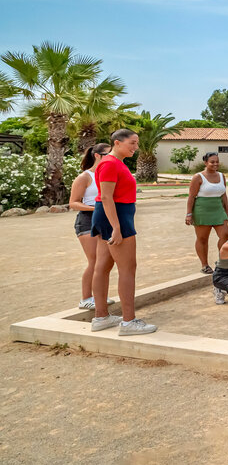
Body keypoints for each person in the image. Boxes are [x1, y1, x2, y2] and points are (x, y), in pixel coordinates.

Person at [90, 129, 158, 336]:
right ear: (117, 143)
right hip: (115, 216)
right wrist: (117, 227)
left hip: (112, 215)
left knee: (103, 266)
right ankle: (129, 322)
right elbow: (106, 197)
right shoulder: (110, 163)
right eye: (132, 143)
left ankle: (101, 317)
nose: (136, 147)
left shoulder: (114, 163)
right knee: (127, 268)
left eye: (137, 143)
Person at [69, 143, 114, 310]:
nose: (112, 158)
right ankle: (86, 298)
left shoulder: (107, 174)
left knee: (105, 261)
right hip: (87, 220)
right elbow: (73, 203)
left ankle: (99, 297)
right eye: (108, 154)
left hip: (106, 220)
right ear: (97, 155)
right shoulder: (85, 177)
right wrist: (96, 208)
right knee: (94, 260)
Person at [185, 152, 228, 274]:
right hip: (202, 210)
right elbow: (191, 197)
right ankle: (204, 265)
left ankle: (222, 262)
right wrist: (189, 214)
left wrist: (227, 211)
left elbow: (224, 195)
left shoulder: (221, 176)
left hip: (218, 209)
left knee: (226, 234)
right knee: (203, 239)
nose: (215, 164)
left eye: (217, 161)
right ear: (205, 163)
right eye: (212, 162)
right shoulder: (198, 177)